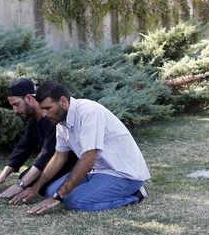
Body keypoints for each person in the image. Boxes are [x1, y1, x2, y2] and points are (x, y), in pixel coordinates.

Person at [10, 81, 150, 215]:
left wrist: (57, 197)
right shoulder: (61, 121)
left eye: (47, 108)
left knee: (74, 201)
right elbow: (59, 156)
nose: (45, 114)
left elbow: (88, 158)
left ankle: (136, 195)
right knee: (49, 190)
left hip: (122, 173)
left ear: (63, 102)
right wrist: (35, 188)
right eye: (42, 109)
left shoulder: (88, 112)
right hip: (97, 171)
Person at [0, 78, 76, 200]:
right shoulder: (33, 121)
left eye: (16, 105)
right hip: (53, 163)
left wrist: (21, 185)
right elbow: (23, 147)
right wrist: (3, 175)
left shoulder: (53, 118)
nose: (15, 111)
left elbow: (47, 153)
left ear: (29, 98)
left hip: (70, 165)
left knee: (42, 187)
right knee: (25, 177)